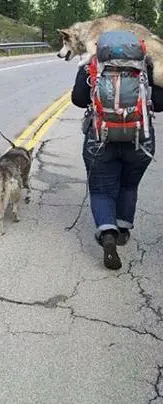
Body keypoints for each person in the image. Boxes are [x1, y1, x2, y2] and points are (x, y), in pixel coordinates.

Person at [72, 37, 163, 270]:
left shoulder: (92, 65)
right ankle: (122, 231)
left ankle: (107, 233)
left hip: (100, 139)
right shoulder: (149, 65)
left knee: (101, 190)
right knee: (128, 186)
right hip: (139, 140)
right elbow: (161, 103)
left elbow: (78, 99)